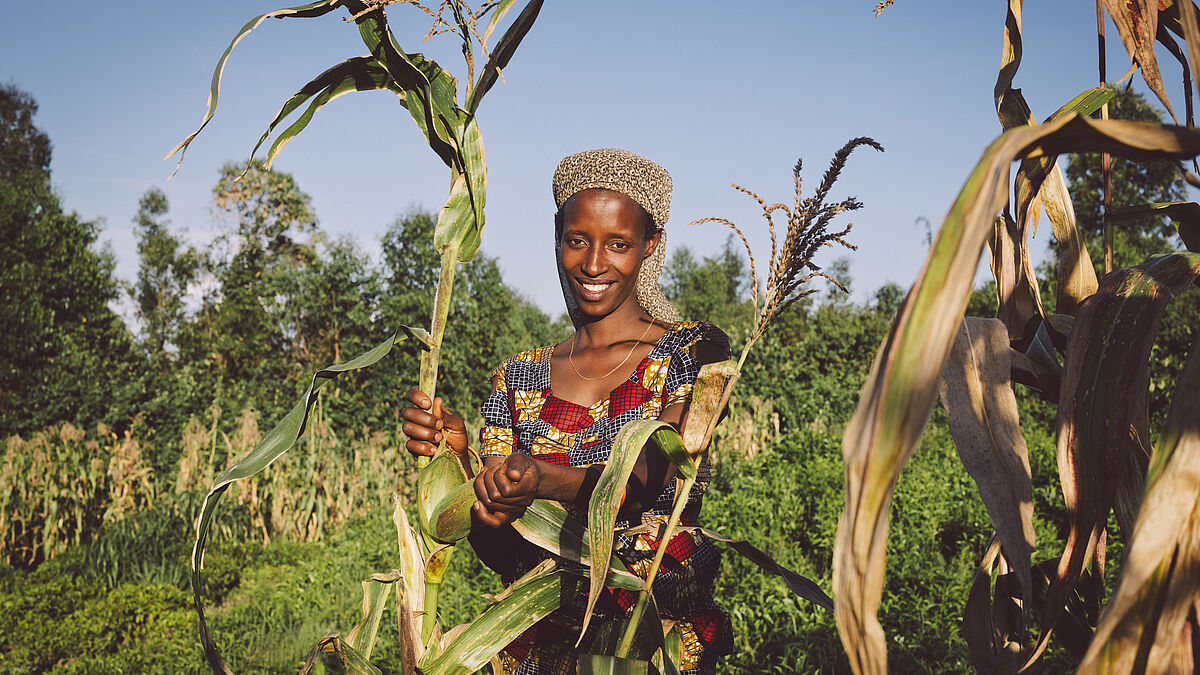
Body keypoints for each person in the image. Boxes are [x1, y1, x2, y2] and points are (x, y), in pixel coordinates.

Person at [402, 148, 732, 674]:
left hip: (645, 652)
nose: (595, 264)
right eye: (578, 240)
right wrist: (461, 466)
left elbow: (642, 479)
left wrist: (537, 478)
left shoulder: (691, 355)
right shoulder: (519, 378)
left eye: (618, 244)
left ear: (651, 245)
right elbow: (501, 551)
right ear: (558, 238)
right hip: (533, 654)